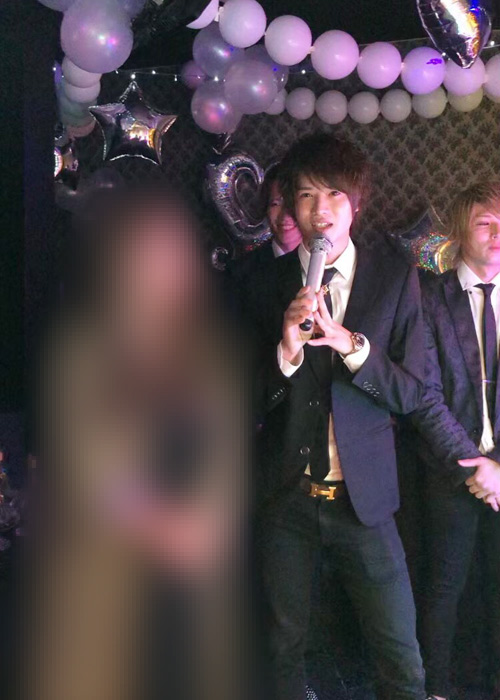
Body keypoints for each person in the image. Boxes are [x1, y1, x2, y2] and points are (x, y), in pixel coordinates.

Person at [24, 182, 249, 700]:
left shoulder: (208, 352)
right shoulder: (81, 349)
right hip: (110, 571)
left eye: (173, 253)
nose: (163, 267)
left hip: (193, 590)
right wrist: (164, 528)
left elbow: (226, 456)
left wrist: (209, 523)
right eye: (148, 253)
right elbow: (86, 466)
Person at [237, 133, 426, 700]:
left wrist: (352, 346)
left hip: (365, 502)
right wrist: (286, 352)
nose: (320, 210)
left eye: (335, 194)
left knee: (400, 655)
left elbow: (413, 392)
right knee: (281, 646)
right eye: (306, 195)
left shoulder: (394, 276)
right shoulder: (258, 281)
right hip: (285, 497)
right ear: (291, 207)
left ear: (356, 204)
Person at [411, 180, 500, 700]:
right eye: (485, 223)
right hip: (451, 472)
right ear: (461, 231)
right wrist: (476, 466)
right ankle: (437, 690)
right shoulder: (428, 297)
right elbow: (424, 396)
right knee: (444, 589)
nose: (497, 233)